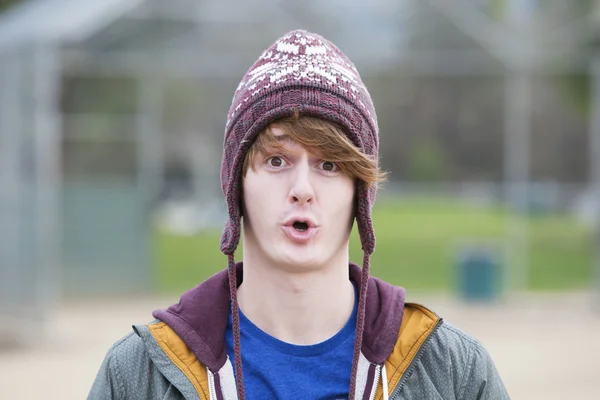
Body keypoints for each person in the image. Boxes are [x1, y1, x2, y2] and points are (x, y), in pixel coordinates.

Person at [88, 29, 510, 400]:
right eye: (276, 161)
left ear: (360, 191)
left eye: (330, 165)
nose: (302, 189)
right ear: (236, 185)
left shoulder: (453, 372)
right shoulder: (137, 375)